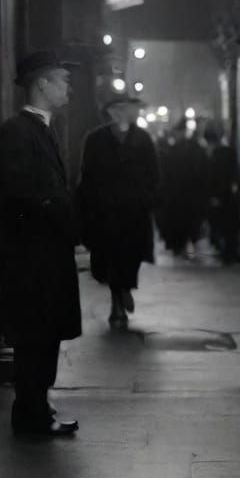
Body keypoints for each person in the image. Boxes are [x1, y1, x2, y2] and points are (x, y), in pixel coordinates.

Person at [0, 50, 82, 437]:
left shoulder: (41, 129)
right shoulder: (18, 130)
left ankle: (37, 409)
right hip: (33, 257)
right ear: (42, 84)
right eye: (62, 80)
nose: (68, 88)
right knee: (35, 337)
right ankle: (31, 415)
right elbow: (18, 192)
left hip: (45, 254)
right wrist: (57, 209)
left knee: (44, 335)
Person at [78, 93, 160, 327]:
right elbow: (87, 174)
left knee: (131, 256)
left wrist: (147, 198)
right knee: (111, 258)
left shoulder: (142, 139)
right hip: (107, 212)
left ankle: (125, 289)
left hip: (134, 212)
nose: (133, 112)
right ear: (114, 111)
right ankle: (117, 302)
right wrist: (91, 206)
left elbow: (154, 173)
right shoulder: (96, 139)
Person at [156, 119, 209, 257]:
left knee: (179, 222)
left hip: (177, 194)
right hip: (189, 193)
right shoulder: (195, 148)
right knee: (189, 221)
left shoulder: (173, 150)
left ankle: (179, 245)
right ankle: (187, 243)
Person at [203, 121, 240, 263]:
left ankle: (225, 250)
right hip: (228, 194)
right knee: (230, 226)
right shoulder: (229, 152)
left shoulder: (211, 155)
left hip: (218, 195)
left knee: (220, 225)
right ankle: (230, 251)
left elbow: (209, 177)